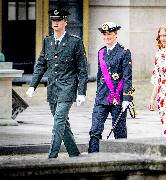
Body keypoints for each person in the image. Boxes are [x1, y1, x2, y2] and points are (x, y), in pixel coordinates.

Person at [26, 8, 88, 158]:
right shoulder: (47, 41)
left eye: (58, 20)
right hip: (53, 88)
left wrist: (81, 92)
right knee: (62, 123)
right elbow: (41, 64)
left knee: (58, 122)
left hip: (68, 87)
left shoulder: (75, 42)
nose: (55, 23)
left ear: (65, 22)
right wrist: (32, 85)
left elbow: (82, 69)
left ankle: (51, 156)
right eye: (53, 20)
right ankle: (74, 153)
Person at [88, 22, 133, 153]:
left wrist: (127, 98)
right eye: (104, 34)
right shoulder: (101, 52)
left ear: (115, 34)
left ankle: (122, 157)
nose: (107, 37)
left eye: (110, 34)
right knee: (95, 129)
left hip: (117, 98)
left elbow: (127, 77)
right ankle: (92, 158)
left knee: (119, 131)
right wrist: (97, 94)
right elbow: (99, 75)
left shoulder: (124, 52)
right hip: (102, 97)